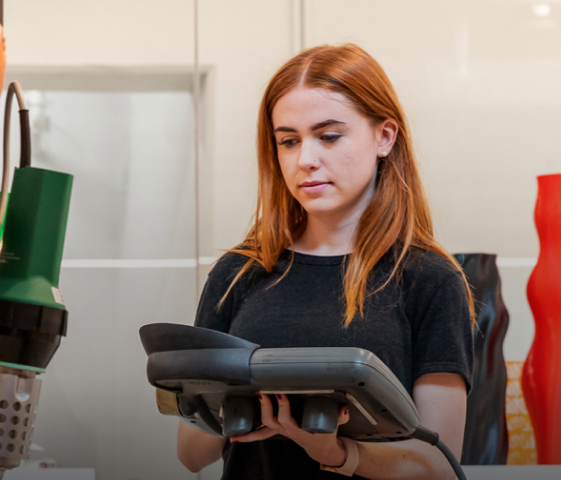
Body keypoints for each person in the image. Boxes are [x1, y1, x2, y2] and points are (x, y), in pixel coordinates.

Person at [176, 43, 473, 480]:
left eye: (329, 136)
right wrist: (250, 408)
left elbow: (439, 466)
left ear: (384, 137)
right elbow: (190, 453)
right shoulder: (238, 273)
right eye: (288, 141)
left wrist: (337, 453)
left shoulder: (430, 279)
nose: (306, 161)